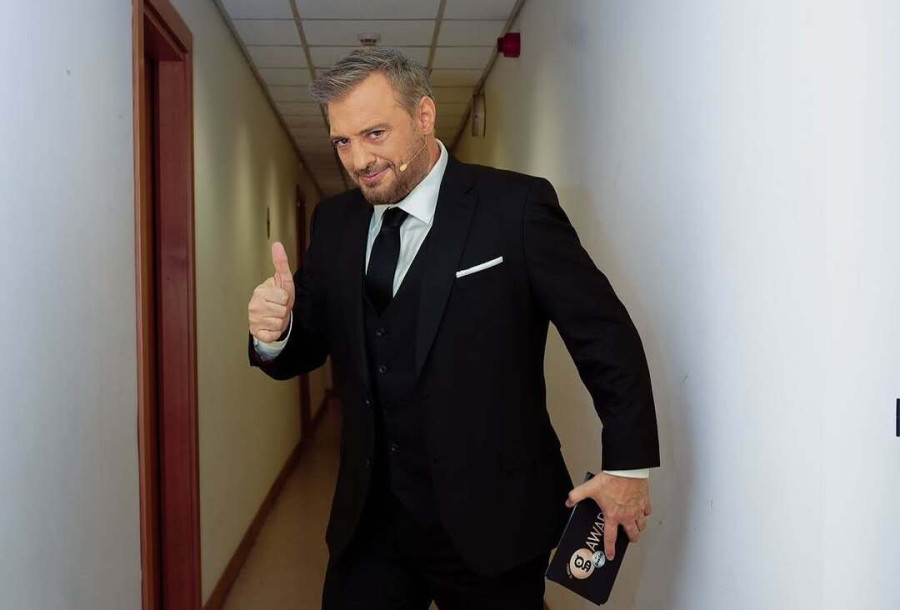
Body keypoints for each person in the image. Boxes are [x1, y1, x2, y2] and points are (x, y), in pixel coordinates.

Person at [246, 48, 660, 610]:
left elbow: (604, 336)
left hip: (493, 522)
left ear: (424, 116)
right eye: (342, 141)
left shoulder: (514, 207)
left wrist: (627, 467)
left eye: (374, 133)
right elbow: (310, 343)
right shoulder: (336, 222)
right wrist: (275, 332)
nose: (359, 160)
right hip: (371, 526)